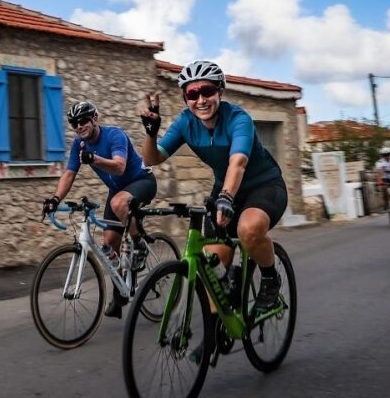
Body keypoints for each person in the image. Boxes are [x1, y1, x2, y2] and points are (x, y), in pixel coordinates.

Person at [139, 60, 288, 311]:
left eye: (207, 91)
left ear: (220, 91)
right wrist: (151, 134)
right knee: (213, 268)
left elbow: (238, 162)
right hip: (225, 191)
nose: (201, 100)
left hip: (264, 186)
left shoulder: (238, 118)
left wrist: (226, 197)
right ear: (185, 98)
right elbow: (152, 158)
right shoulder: (185, 122)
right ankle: (213, 341)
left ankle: (270, 278)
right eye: (192, 94)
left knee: (248, 230)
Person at [41, 101, 158, 319]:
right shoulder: (79, 145)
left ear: (95, 119)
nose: (79, 126)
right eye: (74, 123)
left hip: (142, 181)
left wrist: (94, 159)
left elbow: (119, 166)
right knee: (108, 246)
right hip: (117, 189)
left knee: (118, 203)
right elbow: (69, 174)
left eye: (83, 120)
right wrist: (55, 199)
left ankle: (139, 245)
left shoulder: (115, 136)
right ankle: (120, 294)